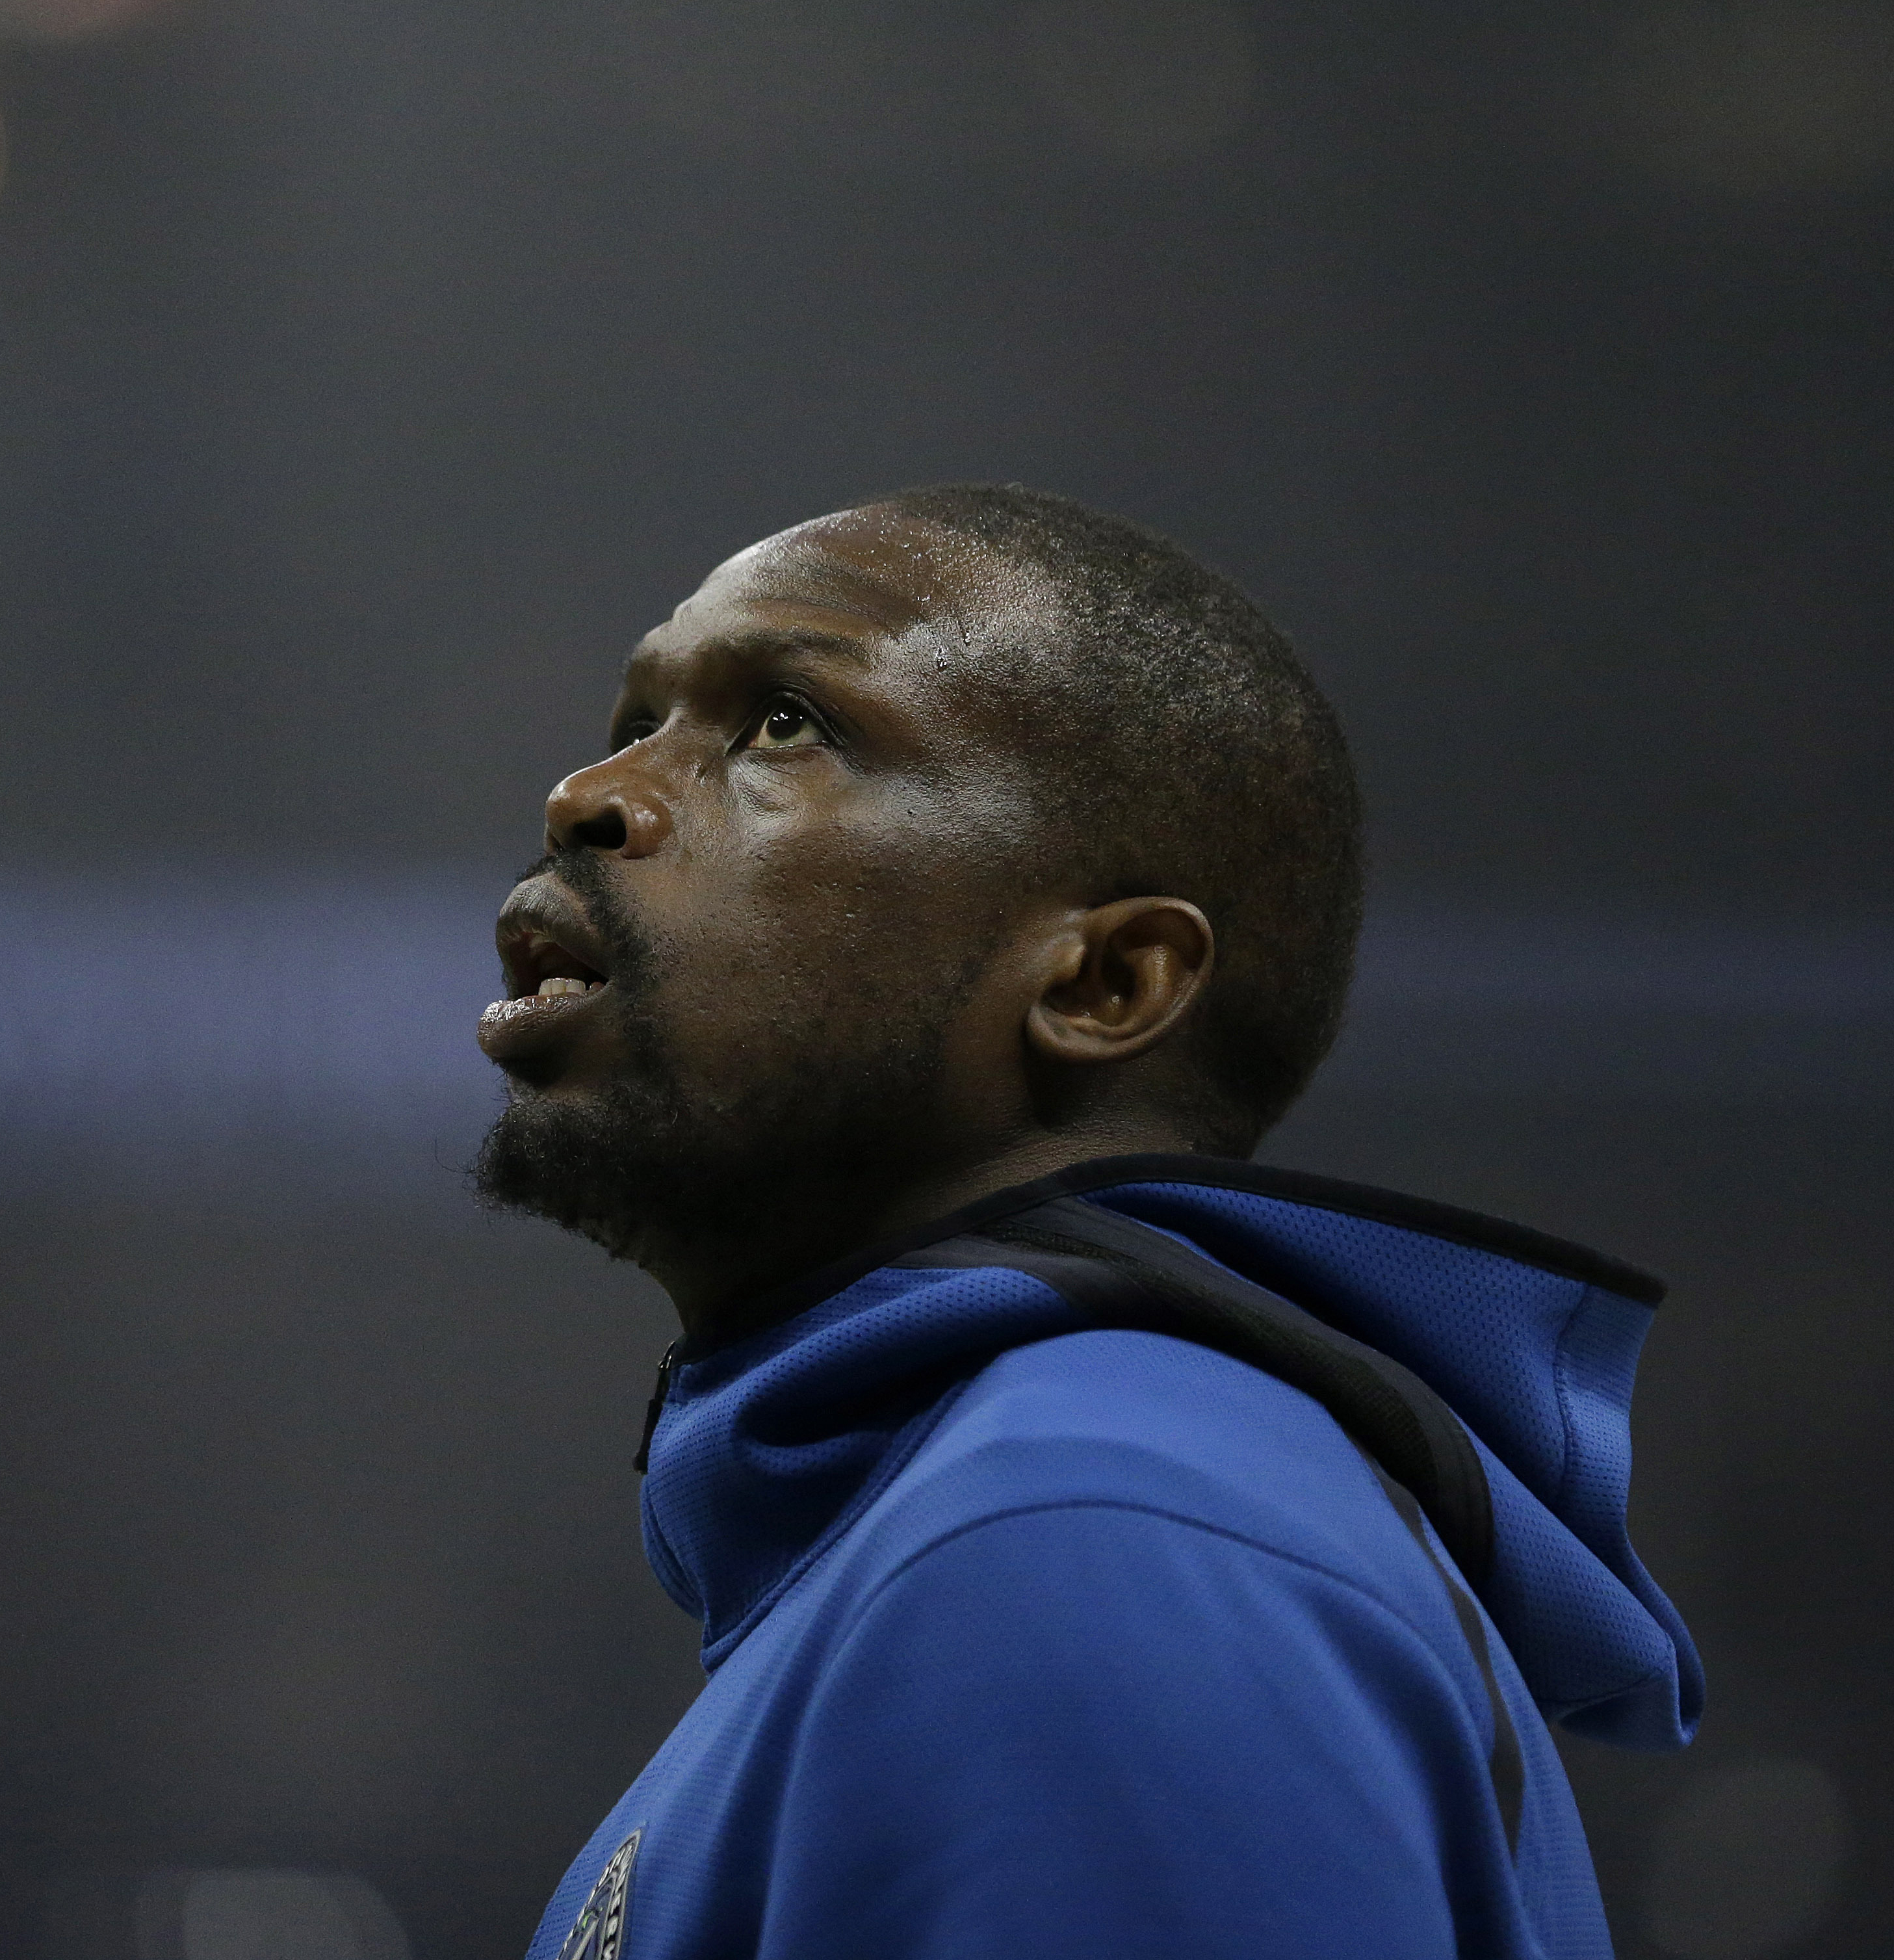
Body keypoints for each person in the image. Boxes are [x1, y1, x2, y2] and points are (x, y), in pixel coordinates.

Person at [473, 484, 1698, 1960]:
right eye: (634, 713)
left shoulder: (1084, 1523)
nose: (588, 794)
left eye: (782, 722)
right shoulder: (1005, 1515)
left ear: (1101, 984)